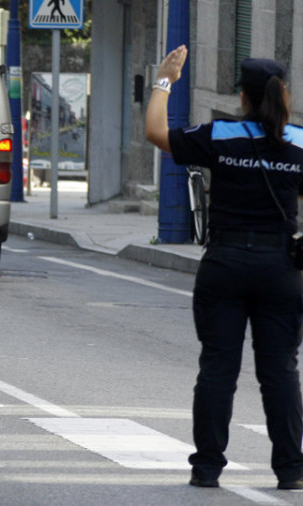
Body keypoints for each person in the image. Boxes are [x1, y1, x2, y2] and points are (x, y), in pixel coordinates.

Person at [146, 46, 303, 490]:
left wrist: (165, 80)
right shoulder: (299, 143)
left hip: (226, 263)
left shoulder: (220, 135)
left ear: (243, 97)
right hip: (279, 267)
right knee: (281, 371)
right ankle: (291, 471)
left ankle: (208, 468)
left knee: (218, 367)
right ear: (283, 94)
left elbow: (157, 132)